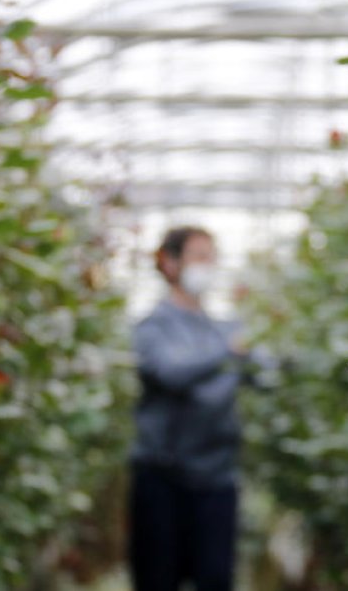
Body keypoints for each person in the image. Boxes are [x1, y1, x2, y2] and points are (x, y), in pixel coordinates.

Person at [128, 226, 265, 591]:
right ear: (170, 263)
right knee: (158, 579)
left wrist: (261, 334)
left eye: (212, 256)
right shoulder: (152, 326)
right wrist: (230, 351)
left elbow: (265, 373)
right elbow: (172, 373)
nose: (210, 265)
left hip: (217, 477)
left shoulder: (224, 327)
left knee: (216, 579)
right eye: (200, 256)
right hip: (163, 479)